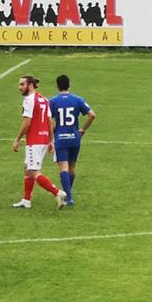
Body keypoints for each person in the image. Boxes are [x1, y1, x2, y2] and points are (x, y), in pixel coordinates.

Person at [11, 75, 67, 209]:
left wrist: (17, 139)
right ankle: (26, 200)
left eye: (22, 84)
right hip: (43, 139)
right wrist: (50, 140)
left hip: (34, 141)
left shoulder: (29, 100)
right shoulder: (44, 99)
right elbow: (49, 122)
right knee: (27, 168)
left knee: (33, 171)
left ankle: (57, 193)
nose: (20, 87)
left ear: (30, 85)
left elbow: (27, 122)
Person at [49, 74, 97, 208]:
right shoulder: (77, 99)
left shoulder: (52, 101)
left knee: (63, 168)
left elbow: (48, 120)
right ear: (69, 85)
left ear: (57, 86)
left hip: (61, 138)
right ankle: (68, 195)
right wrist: (83, 130)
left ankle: (68, 197)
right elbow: (92, 115)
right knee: (72, 167)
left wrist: (53, 131)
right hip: (74, 138)